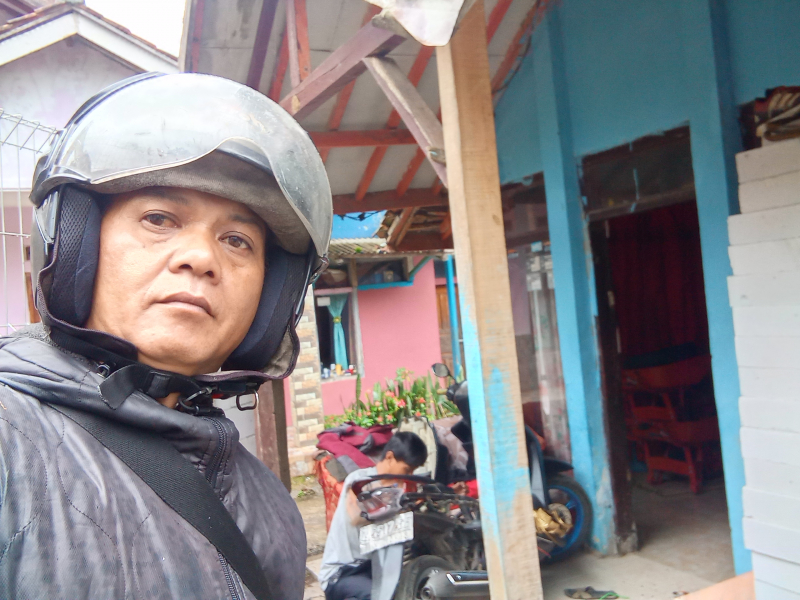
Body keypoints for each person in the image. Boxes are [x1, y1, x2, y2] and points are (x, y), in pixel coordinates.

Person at [0, 73, 332, 599]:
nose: (200, 257)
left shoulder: (275, 510)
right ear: (76, 243)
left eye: (237, 240)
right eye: (159, 218)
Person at [319, 432, 428, 600]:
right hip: (343, 572)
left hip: (374, 571)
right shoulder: (360, 482)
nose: (409, 475)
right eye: (407, 469)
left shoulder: (401, 488)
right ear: (390, 457)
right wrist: (400, 510)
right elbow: (357, 517)